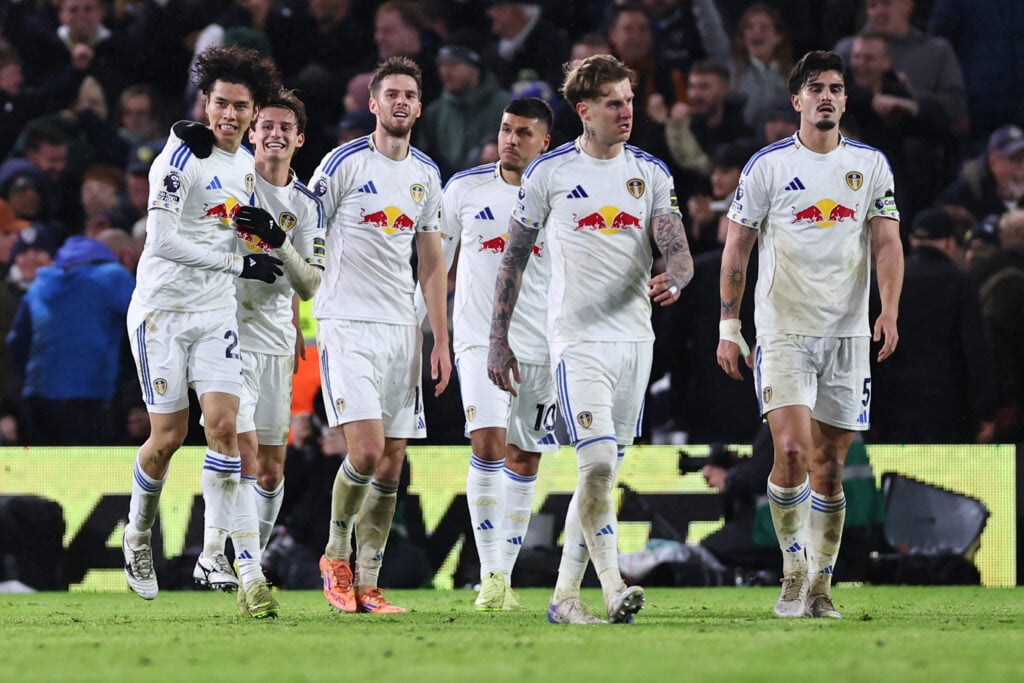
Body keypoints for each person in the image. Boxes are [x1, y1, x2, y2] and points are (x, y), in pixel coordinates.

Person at [487, 54, 694, 624]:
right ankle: (611, 588)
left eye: (628, 100)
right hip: (576, 343)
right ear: (585, 111)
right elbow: (513, 259)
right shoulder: (548, 174)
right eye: (614, 103)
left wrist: (675, 276)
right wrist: (497, 340)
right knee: (598, 463)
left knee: (597, 475)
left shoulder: (650, 172)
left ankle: (563, 598)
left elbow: (677, 250)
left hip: (636, 343)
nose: (627, 111)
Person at [717, 50, 904, 619]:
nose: (827, 96)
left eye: (837, 88)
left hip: (846, 334)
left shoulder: (870, 164)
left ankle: (822, 585)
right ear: (796, 100)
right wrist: (729, 324)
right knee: (792, 450)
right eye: (816, 88)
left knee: (829, 466)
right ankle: (793, 573)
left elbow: (888, 242)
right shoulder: (767, 166)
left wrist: (889, 310)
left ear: (846, 100)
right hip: (783, 329)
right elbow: (738, 246)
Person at [120, 46, 282, 610]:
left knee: (223, 425)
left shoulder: (243, 166)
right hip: (162, 312)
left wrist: (255, 237)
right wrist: (240, 262)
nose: (229, 115)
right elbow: (161, 240)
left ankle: (223, 556)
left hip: (214, 312)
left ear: (255, 111)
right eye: (220, 104)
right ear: (205, 103)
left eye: (241, 106)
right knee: (167, 439)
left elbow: (222, 231)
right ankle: (137, 535)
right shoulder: (177, 158)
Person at [175, 89, 326, 616]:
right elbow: (191, 161)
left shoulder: (307, 206)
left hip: (276, 341)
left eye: (286, 127)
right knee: (235, 449)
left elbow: (308, 286)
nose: (275, 134)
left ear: (299, 139)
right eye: (266, 125)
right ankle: (229, 561)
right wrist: (184, 134)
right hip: (224, 327)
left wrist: (278, 242)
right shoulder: (233, 175)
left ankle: (245, 562)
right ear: (253, 132)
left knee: (271, 469)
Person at [309, 56, 451, 615]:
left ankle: (368, 582)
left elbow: (433, 263)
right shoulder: (342, 163)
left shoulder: (425, 175)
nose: (400, 102)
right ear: (372, 103)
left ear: (418, 106)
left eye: (410, 95)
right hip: (346, 324)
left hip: (401, 331)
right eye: (390, 93)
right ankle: (335, 556)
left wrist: (439, 339)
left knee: (392, 461)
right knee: (364, 453)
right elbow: (304, 228)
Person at [440, 97, 556, 610]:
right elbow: (433, 265)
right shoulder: (464, 189)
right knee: (487, 444)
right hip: (476, 338)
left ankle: (502, 578)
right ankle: (489, 577)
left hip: (543, 343)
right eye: (507, 129)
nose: (511, 139)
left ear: (545, 142)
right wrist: (432, 336)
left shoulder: (562, 196)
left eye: (524, 133)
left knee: (524, 456)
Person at [869, 208, 995, 444]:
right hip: (949, 409)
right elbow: (976, 350)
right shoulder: (960, 283)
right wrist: (984, 411)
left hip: (893, 406)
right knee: (945, 478)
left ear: (912, 240)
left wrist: (869, 414)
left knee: (895, 477)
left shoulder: (882, 283)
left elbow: (869, 347)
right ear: (949, 243)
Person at [6, 235, 134, 445]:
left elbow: (17, 342)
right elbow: (150, 324)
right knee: (90, 472)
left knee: (48, 473)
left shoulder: (39, 286)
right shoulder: (112, 277)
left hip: (38, 398)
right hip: (91, 395)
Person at [417, 40, 510, 181]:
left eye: (453, 64)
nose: (444, 72)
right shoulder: (434, 113)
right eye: (441, 65)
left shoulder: (505, 105)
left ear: (474, 69)